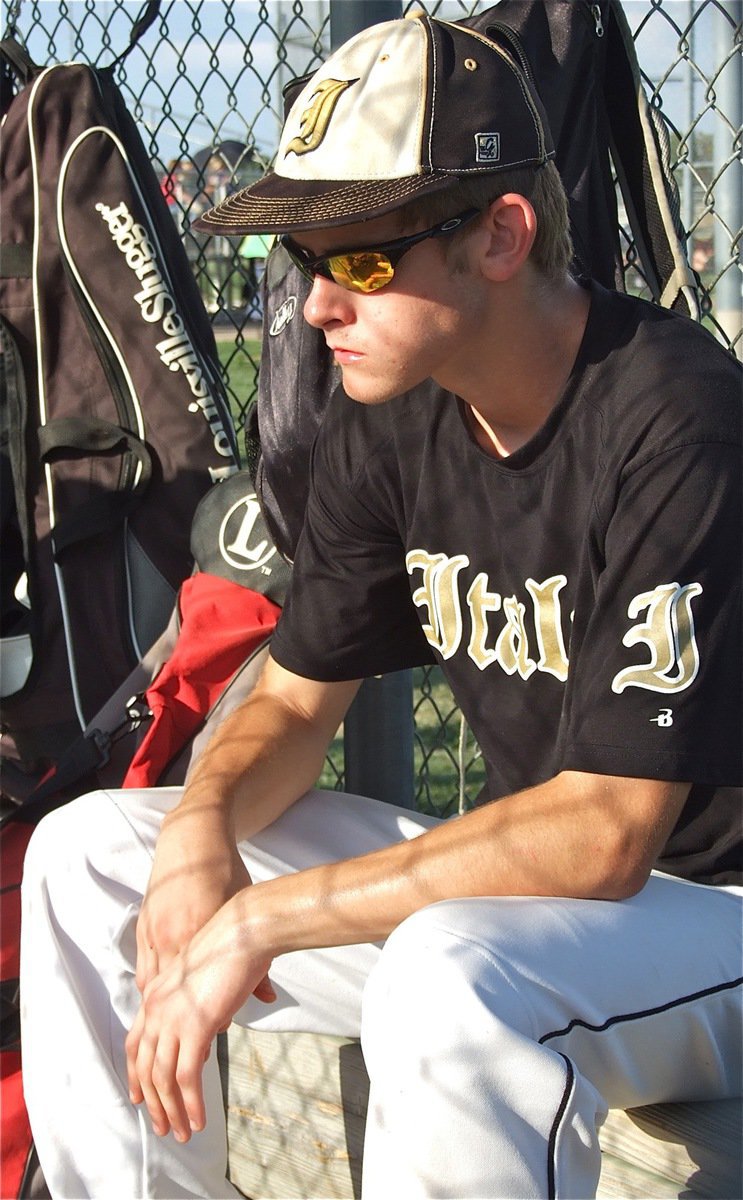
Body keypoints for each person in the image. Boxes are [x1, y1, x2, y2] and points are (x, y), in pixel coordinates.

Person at [21, 14, 741, 1199]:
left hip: (709, 914)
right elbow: (294, 706)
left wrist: (262, 921)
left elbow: (604, 834)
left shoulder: (676, 423)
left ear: (500, 235)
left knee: (447, 971)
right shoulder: (399, 415)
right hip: (565, 925)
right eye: (305, 257)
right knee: (92, 856)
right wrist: (203, 826)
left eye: (358, 259)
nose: (312, 307)